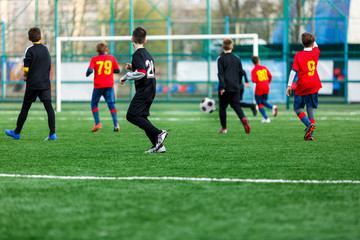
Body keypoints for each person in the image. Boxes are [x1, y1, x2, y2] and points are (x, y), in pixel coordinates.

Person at [120, 26, 167, 153]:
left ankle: (159, 133)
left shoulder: (137, 54)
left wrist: (126, 76)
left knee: (131, 115)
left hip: (144, 89)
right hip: (151, 88)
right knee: (142, 116)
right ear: (145, 41)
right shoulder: (147, 54)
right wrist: (133, 67)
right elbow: (147, 70)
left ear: (131, 40)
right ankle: (159, 146)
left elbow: (141, 72)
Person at [5, 27, 56, 141]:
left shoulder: (29, 50)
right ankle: (52, 134)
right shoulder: (45, 49)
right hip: (44, 83)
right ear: (40, 37)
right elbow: (48, 65)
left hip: (33, 84)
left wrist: (25, 75)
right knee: (49, 108)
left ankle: (17, 132)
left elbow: (26, 66)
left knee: (25, 107)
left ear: (29, 38)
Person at [286, 32, 322, 141]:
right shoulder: (316, 52)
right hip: (314, 84)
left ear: (302, 43)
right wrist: (312, 40)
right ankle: (310, 134)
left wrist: (289, 85)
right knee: (310, 107)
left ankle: (309, 125)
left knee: (297, 108)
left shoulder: (298, 55)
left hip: (303, 85)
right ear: (312, 43)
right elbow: (315, 45)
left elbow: (293, 71)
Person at [217, 39, 250, 134]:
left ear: (223, 47)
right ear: (232, 47)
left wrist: (222, 87)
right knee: (236, 105)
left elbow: (221, 74)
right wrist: (239, 84)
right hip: (236, 86)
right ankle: (243, 118)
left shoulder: (220, 59)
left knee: (223, 108)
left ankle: (224, 129)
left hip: (225, 87)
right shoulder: (237, 58)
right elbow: (241, 72)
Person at [86, 41, 120, 132]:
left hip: (98, 85)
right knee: (111, 104)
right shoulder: (112, 58)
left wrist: (87, 73)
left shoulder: (94, 59)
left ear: (97, 50)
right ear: (106, 49)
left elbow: (89, 70)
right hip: (109, 84)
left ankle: (97, 123)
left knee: (94, 103)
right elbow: (117, 70)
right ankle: (116, 124)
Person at [251, 56, 277, 123]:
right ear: (258, 60)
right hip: (266, 87)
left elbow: (254, 80)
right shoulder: (264, 67)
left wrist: (256, 80)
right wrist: (267, 83)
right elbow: (270, 76)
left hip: (259, 87)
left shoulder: (254, 70)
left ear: (253, 62)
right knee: (263, 101)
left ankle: (266, 118)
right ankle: (272, 107)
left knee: (259, 103)